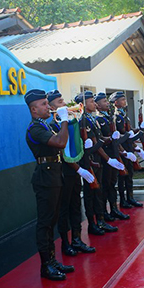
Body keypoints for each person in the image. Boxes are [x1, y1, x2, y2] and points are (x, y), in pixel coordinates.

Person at [24, 89, 74, 281]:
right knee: (45, 223)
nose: (48, 107)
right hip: (46, 179)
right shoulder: (35, 128)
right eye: (44, 104)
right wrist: (64, 120)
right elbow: (60, 143)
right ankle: (46, 266)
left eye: (47, 103)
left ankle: (52, 260)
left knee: (52, 221)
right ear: (33, 109)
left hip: (53, 175)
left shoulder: (44, 125)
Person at [46, 90, 96, 257]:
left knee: (75, 206)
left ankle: (77, 239)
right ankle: (65, 244)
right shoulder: (53, 126)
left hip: (74, 172)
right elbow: (61, 150)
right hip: (64, 172)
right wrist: (78, 169)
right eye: (60, 102)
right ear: (52, 107)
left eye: (63, 101)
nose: (64, 104)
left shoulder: (70, 122)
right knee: (64, 209)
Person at [77, 91, 124, 235]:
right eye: (91, 101)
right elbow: (94, 144)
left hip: (97, 160)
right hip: (90, 161)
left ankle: (101, 220)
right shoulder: (83, 121)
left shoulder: (92, 119)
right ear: (83, 105)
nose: (95, 104)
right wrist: (108, 159)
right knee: (91, 194)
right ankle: (93, 224)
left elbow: (99, 139)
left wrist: (110, 138)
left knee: (98, 191)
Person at [95, 93, 130, 221]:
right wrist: (110, 139)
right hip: (106, 156)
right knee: (105, 184)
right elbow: (99, 138)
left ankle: (114, 208)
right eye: (104, 101)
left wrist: (122, 151)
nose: (107, 103)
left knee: (112, 183)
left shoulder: (108, 118)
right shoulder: (98, 119)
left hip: (114, 153)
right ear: (98, 105)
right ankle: (104, 212)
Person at [112, 91, 143, 209]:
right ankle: (123, 200)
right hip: (123, 149)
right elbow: (121, 133)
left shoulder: (124, 115)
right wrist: (124, 151)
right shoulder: (117, 116)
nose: (125, 101)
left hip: (129, 147)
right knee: (122, 176)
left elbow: (129, 131)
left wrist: (138, 130)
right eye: (122, 99)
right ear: (116, 102)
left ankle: (130, 197)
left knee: (129, 175)